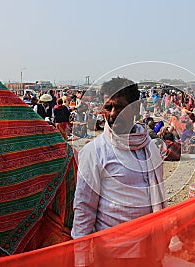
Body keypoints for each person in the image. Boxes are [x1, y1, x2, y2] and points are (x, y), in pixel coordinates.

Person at [71, 77, 166, 266]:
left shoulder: (150, 147)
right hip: (113, 254)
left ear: (136, 109)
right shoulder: (95, 152)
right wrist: (80, 260)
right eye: (108, 107)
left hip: (149, 249)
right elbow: (84, 208)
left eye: (121, 107)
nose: (113, 114)